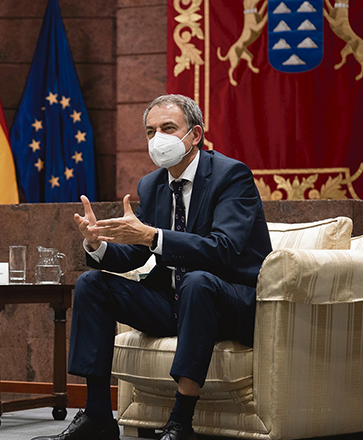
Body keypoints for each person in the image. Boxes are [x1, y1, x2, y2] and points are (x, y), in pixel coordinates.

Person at [33, 95, 272, 440]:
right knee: (92, 284)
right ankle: (98, 415)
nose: (157, 138)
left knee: (198, 282)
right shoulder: (153, 184)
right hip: (174, 301)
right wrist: (97, 244)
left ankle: (181, 422)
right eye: (150, 131)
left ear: (195, 135)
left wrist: (153, 235)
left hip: (230, 302)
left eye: (168, 128)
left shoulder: (231, 176)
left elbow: (225, 248)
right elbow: (136, 252)